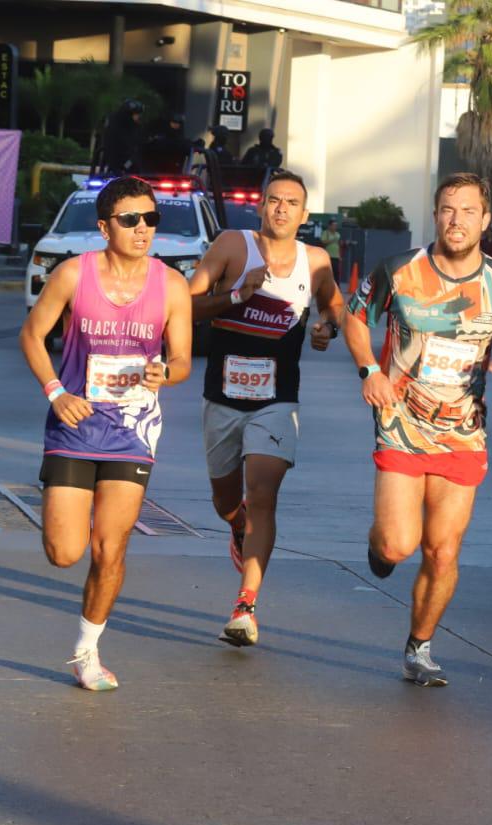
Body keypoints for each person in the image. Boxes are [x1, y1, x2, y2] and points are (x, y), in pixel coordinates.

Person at [343, 173, 492, 687]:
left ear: (486, 221)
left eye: (468, 211)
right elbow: (354, 318)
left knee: (444, 550)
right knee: (400, 545)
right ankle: (380, 545)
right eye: (448, 209)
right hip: (401, 424)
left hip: (464, 432)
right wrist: (370, 371)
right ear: (435, 214)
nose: (457, 220)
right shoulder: (400, 270)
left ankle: (419, 647)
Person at [17, 176, 193, 690]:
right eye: (130, 220)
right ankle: (58, 499)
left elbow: (181, 359)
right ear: (104, 226)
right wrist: (55, 392)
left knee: (109, 547)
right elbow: (32, 334)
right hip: (74, 426)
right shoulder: (74, 275)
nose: (143, 229)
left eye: (151, 219)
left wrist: (168, 373)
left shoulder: (172, 285)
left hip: (133, 429)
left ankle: (86, 651)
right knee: (64, 552)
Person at [188, 170, 345, 648]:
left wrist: (326, 327)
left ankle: (246, 605)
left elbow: (332, 304)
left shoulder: (314, 260)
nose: (281, 209)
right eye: (273, 200)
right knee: (226, 502)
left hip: (277, 401)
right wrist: (238, 293)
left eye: (291, 202)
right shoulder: (233, 245)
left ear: (304, 214)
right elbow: (187, 307)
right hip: (223, 398)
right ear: (261, 206)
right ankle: (235, 527)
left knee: (263, 494)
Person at [100, 99, 145, 176]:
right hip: (119, 166)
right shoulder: (117, 128)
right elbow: (113, 148)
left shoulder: (134, 127)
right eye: (136, 114)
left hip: (127, 165)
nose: (138, 117)